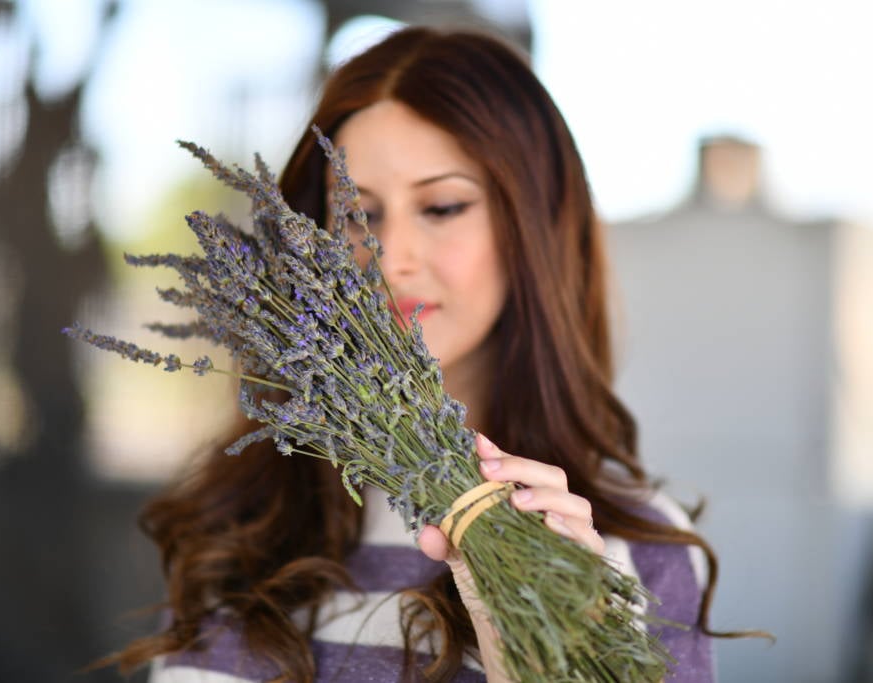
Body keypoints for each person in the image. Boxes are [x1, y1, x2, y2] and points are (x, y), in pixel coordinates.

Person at [105, 26, 730, 683]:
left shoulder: (636, 547)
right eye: (359, 216)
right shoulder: (244, 519)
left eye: (441, 206)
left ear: (535, 230)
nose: (390, 259)